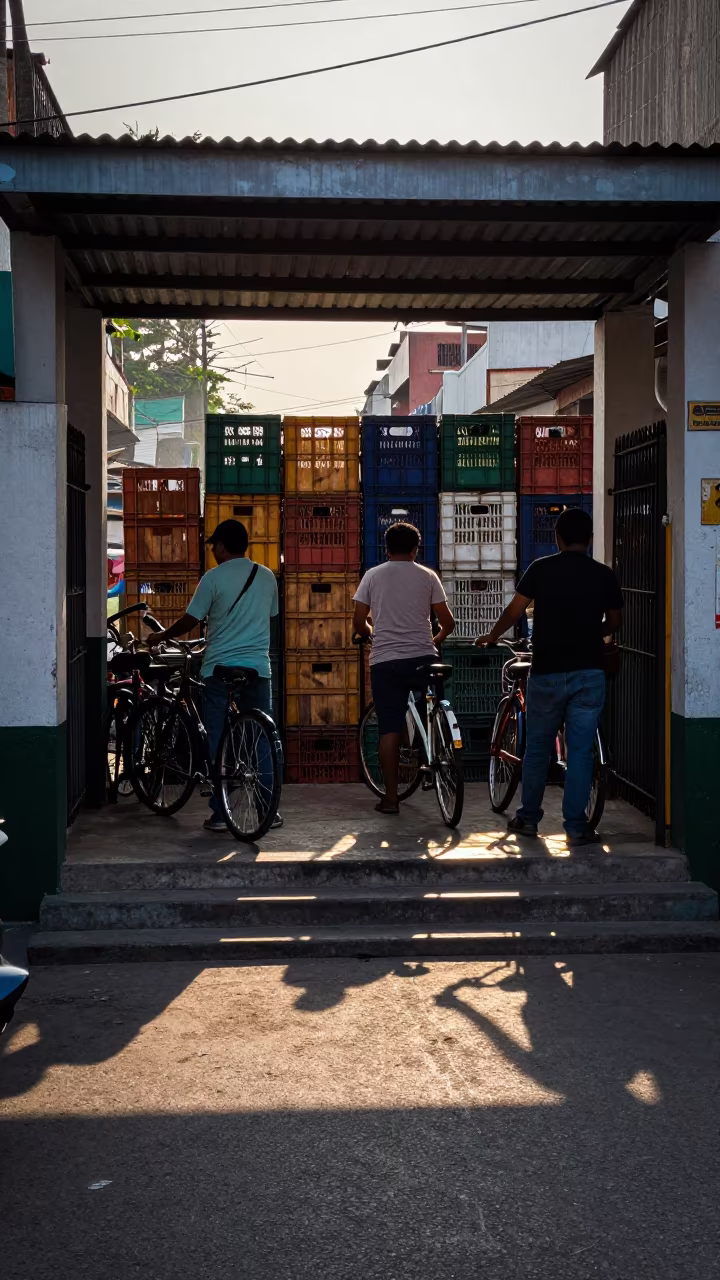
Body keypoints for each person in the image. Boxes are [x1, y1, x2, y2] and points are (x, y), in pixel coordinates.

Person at [475, 507, 623, 846]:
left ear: (557, 538)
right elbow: (614, 623)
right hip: (589, 672)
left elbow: (515, 610)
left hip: (548, 673)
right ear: (589, 540)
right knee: (581, 750)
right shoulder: (604, 575)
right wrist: (590, 632)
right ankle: (576, 826)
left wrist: (493, 636)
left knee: (538, 747)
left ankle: (528, 818)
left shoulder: (541, 569)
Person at [146, 518, 282, 833]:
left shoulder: (213, 578)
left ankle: (221, 813)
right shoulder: (266, 577)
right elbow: (270, 616)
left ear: (221, 546)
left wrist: (162, 635)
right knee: (262, 736)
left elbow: (191, 619)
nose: (214, 551)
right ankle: (267, 811)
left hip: (219, 668)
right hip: (258, 668)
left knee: (217, 738)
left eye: (214, 546)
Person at [352, 521, 456, 815]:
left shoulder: (372, 576)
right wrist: (432, 641)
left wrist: (373, 634)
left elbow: (359, 622)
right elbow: (448, 623)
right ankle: (434, 745)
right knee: (432, 704)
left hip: (386, 662)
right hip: (424, 659)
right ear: (415, 550)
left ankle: (391, 799)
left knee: (389, 730)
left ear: (386, 549)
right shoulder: (428, 576)